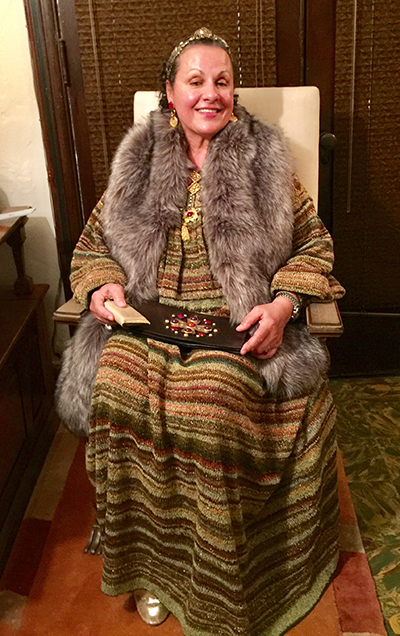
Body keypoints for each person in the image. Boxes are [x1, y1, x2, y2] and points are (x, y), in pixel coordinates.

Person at [56, 27, 345, 636]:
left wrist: (284, 305)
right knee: (115, 388)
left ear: (234, 94)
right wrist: (104, 285)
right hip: (149, 317)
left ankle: (220, 588)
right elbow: (92, 244)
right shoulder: (136, 162)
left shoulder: (268, 162)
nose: (210, 94)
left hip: (237, 322)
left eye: (222, 82)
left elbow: (316, 244)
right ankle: (153, 571)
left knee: (207, 407)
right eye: (196, 82)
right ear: (170, 93)